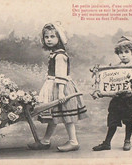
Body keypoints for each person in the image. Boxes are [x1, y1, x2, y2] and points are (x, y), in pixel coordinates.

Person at [27, 22, 87, 152]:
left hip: (61, 87)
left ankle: (73, 141)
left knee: (66, 116)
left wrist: (60, 93)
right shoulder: (54, 53)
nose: (49, 39)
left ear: (59, 38)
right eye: (46, 37)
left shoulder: (60, 55)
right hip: (54, 86)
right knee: (54, 115)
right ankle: (46, 140)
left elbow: (61, 74)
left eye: (52, 37)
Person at [92, 36, 132, 151]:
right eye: (120, 52)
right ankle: (107, 143)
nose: (123, 55)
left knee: (129, 121)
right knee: (112, 120)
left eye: (126, 52)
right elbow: (106, 80)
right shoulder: (115, 69)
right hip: (117, 99)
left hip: (129, 99)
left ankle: (127, 141)